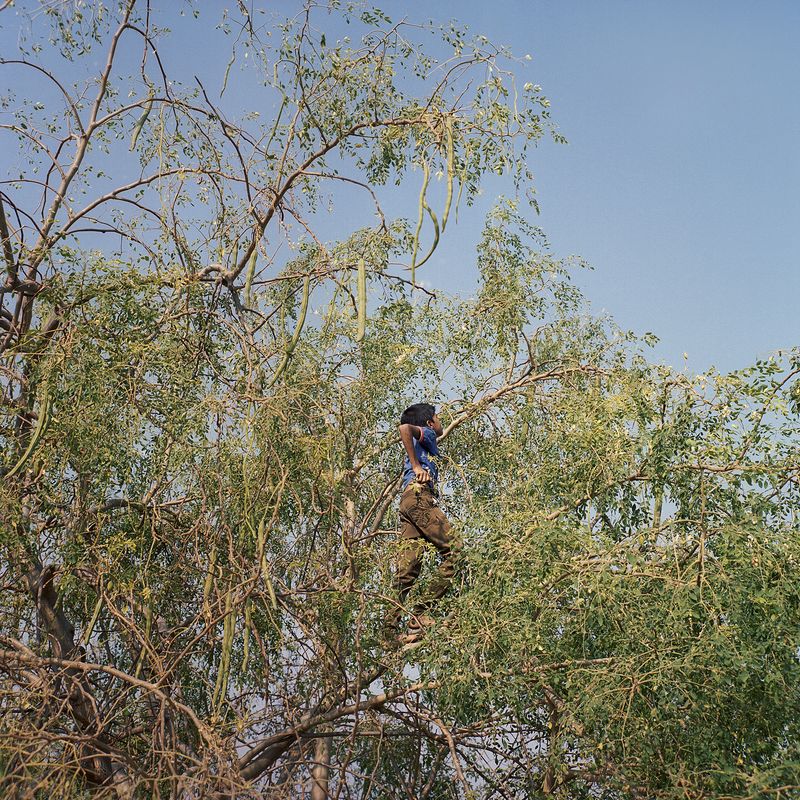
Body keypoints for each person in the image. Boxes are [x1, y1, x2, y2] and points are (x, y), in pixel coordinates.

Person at [385, 402, 458, 643]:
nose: (440, 422)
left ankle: (388, 631)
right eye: (437, 418)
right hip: (419, 497)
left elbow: (438, 433)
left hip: (407, 502)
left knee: (407, 571)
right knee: (455, 552)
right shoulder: (425, 432)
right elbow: (405, 428)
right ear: (428, 423)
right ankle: (419, 613)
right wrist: (417, 466)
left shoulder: (428, 439)